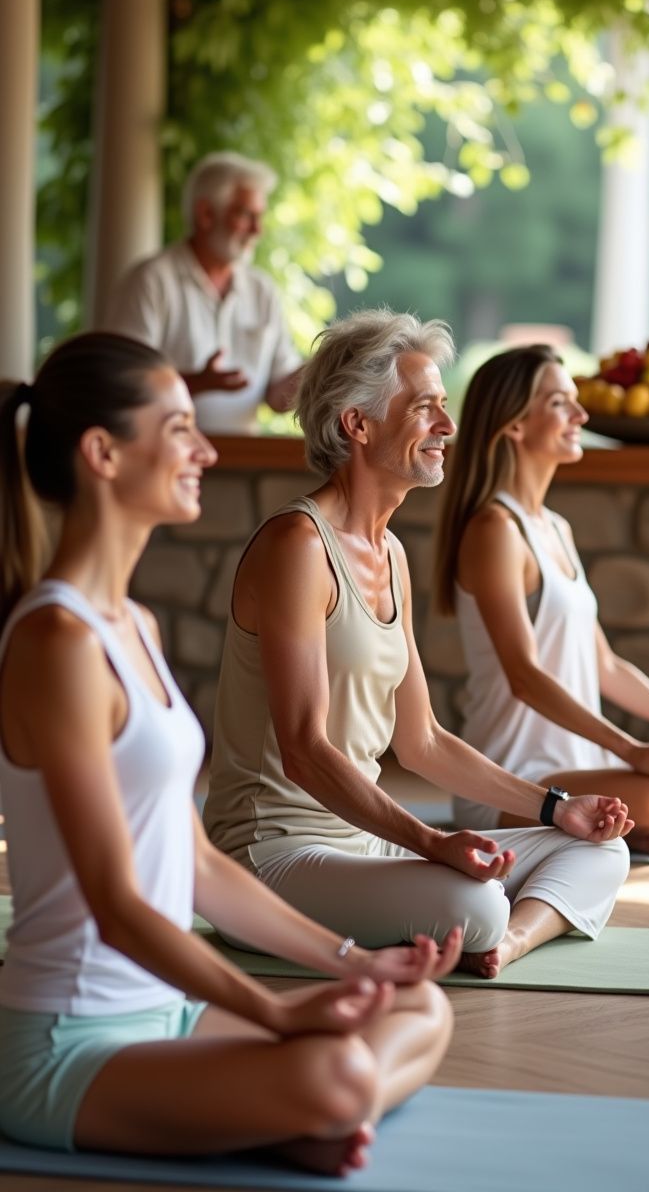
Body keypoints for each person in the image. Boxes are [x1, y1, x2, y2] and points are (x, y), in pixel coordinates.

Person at [0, 332, 458, 1170]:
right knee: (333, 1067)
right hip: (68, 1045)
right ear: (103, 454)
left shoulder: (132, 625)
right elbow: (115, 902)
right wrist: (279, 1014)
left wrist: (353, 963)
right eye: (179, 428)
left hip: (168, 1013)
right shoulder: (55, 642)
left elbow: (200, 867)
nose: (206, 447)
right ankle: (306, 1111)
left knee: (420, 1008)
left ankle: (294, 1119)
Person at [204, 311, 631, 982]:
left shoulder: (392, 553)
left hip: (361, 845)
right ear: (357, 423)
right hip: (272, 857)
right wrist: (432, 843)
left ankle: (507, 944)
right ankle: (486, 926)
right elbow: (305, 751)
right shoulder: (297, 547)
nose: (448, 427)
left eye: (444, 406)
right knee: (473, 901)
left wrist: (556, 807)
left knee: (599, 851)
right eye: (426, 407)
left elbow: (423, 740)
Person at [433, 344, 649, 855]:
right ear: (515, 424)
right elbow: (524, 676)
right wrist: (629, 750)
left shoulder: (555, 529)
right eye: (561, 403)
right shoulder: (495, 529)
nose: (581, 415)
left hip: (581, 770)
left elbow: (605, 666)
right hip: (515, 779)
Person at [104, 152, 302, 433]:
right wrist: (197, 382)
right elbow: (120, 384)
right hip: (165, 461)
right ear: (206, 214)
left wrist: (322, 371)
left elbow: (278, 397)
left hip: (247, 461)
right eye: (246, 215)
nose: (258, 230)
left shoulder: (262, 289)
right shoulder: (151, 280)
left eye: (260, 216)